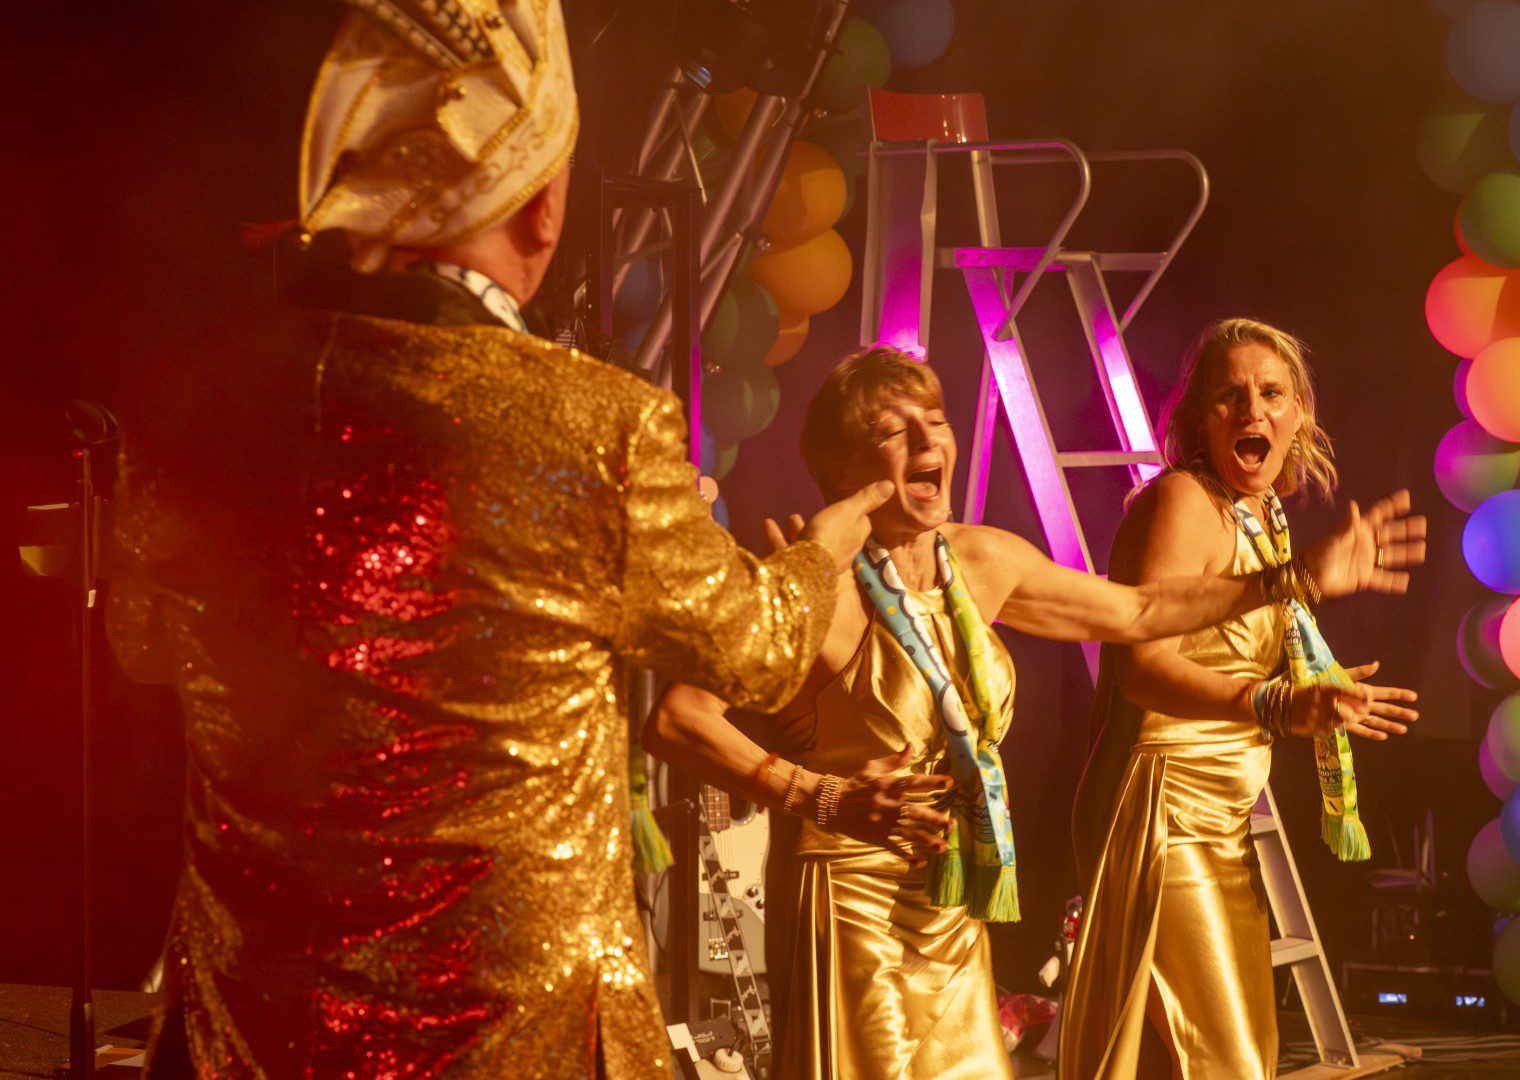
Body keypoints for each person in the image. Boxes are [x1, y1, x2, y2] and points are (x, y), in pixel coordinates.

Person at [104, 3, 889, 1076]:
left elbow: (143, 643)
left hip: (258, 1028)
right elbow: (754, 649)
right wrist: (821, 550)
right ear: (542, 208)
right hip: (511, 1036)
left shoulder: (196, 409)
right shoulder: (595, 426)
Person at [643, 345, 1423, 1080]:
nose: (927, 439)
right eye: (891, 431)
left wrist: (1292, 578)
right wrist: (819, 795)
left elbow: (1139, 612)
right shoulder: (817, 582)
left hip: (953, 901)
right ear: (844, 469)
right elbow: (677, 719)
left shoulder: (980, 558)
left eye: (935, 421)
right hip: (853, 904)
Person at [1055, 318, 1427, 1079]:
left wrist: (1320, 691)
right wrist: (1276, 705)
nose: (1252, 410)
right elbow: (1141, 670)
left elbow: (1229, 646)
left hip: (1214, 815)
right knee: (1226, 1058)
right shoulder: (1183, 501)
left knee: (1170, 1057)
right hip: (1160, 808)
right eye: (1229, 396)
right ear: (1197, 418)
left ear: (1299, 416)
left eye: (1271, 394)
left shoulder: (1260, 513)